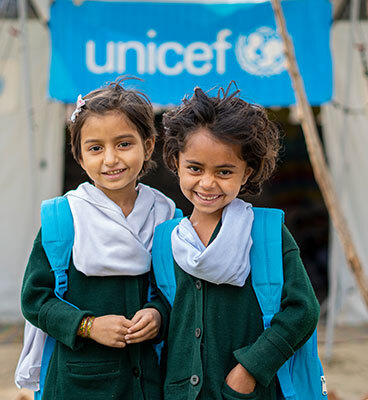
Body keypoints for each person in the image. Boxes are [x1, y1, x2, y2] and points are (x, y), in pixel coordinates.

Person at [125, 85, 321, 399]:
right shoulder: (166, 239)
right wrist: (155, 314)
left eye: (224, 171)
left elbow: (303, 310)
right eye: (195, 168)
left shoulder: (266, 233)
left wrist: (250, 369)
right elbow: (170, 300)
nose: (207, 183)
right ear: (176, 162)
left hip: (248, 391)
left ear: (248, 172)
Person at [20, 78, 176, 400]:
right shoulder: (64, 219)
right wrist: (88, 325)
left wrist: (158, 313)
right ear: (78, 156)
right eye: (95, 148)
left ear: (148, 145)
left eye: (123, 144)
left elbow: (177, 291)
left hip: (148, 383)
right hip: (77, 384)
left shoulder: (166, 218)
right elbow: (35, 300)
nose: (110, 159)